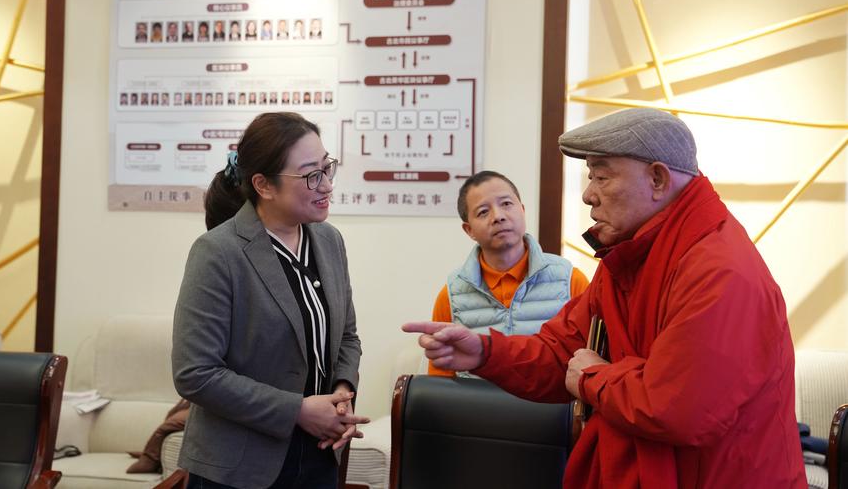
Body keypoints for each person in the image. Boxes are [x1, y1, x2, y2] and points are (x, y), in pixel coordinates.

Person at [404, 108, 806, 489]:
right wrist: (486, 352)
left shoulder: (720, 269)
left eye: (601, 176)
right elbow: (562, 352)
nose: (588, 195)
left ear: (658, 179)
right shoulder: (628, 259)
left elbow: (678, 408)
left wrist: (592, 377)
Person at [173, 112, 367, 489]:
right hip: (237, 467)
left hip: (319, 456)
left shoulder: (329, 241)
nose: (327, 184)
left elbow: (347, 337)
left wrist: (343, 391)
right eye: (311, 175)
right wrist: (297, 410)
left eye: (327, 168)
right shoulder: (218, 252)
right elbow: (195, 373)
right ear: (263, 185)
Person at [428, 171, 589, 378]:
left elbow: (590, 361)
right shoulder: (451, 296)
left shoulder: (570, 280)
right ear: (469, 230)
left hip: (552, 398)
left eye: (506, 204)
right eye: (483, 212)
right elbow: (441, 382)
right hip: (477, 400)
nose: (498, 216)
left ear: (522, 210)